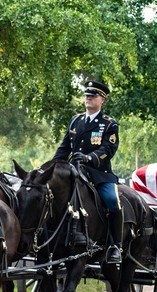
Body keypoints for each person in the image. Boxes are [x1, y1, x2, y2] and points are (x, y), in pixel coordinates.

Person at [52, 79, 122, 263]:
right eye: (87, 95)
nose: (88, 98)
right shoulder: (75, 121)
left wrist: (89, 158)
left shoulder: (109, 124)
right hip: (74, 171)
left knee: (113, 201)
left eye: (93, 95)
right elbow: (64, 148)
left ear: (102, 100)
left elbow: (108, 150)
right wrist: (50, 167)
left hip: (99, 173)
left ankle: (115, 245)